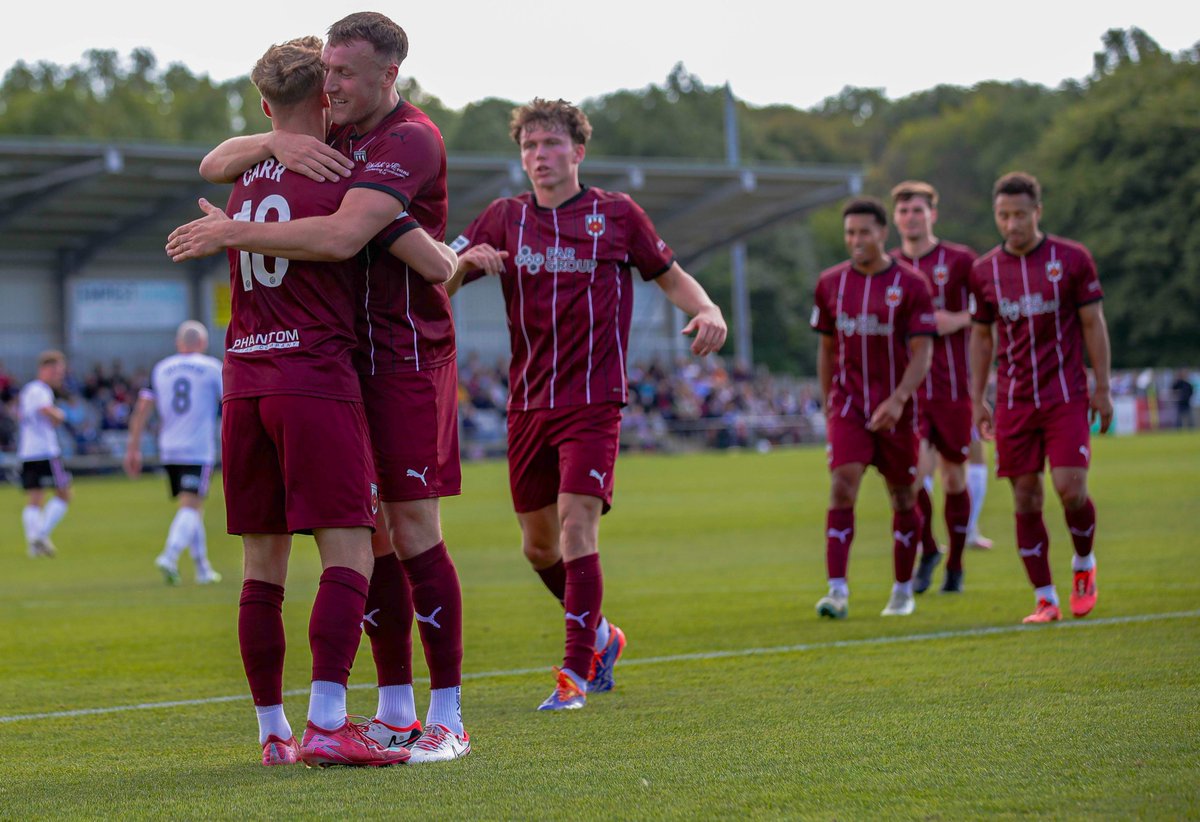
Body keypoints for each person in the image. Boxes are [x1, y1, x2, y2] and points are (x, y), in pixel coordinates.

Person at [169, 14, 469, 763]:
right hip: (329, 366)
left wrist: (233, 224)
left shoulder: (404, 138)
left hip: (395, 356)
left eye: (346, 73)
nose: (333, 85)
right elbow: (431, 260)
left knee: (407, 530)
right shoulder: (323, 147)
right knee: (366, 539)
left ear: (386, 76)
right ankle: (390, 704)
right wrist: (277, 142)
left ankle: (446, 715)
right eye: (327, 73)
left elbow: (356, 241)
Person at [445, 98, 728, 710]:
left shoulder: (616, 214)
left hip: (594, 401)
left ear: (577, 151)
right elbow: (435, 278)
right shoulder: (502, 217)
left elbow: (671, 275)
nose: (539, 156)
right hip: (526, 404)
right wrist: (465, 262)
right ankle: (603, 633)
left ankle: (575, 674)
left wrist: (707, 309)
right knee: (539, 547)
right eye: (529, 147)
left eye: (550, 144)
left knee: (578, 524)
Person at [969, 171, 1112, 624]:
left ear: (1038, 213)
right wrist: (977, 397)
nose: (1012, 224)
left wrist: (1102, 387)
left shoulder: (1071, 259)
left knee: (1071, 489)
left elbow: (1092, 324)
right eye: (1003, 215)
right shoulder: (984, 270)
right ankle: (1045, 598)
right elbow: (981, 338)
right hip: (1014, 400)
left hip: (1066, 395)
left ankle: (1084, 566)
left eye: (1020, 215)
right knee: (1026, 498)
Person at [810, 197, 935, 619]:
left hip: (898, 410)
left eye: (864, 232)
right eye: (850, 233)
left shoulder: (913, 285)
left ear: (883, 233)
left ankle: (902, 590)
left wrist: (900, 399)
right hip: (849, 406)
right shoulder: (830, 284)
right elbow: (827, 348)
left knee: (903, 498)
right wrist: (830, 401)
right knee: (842, 484)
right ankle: (837, 591)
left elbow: (922, 352)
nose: (856, 240)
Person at [889, 181, 977, 594]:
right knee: (909, 480)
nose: (911, 217)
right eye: (904, 211)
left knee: (954, 481)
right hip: (907, 393)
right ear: (895, 218)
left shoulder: (959, 260)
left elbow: (988, 310)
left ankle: (955, 565)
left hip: (953, 388)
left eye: (918, 210)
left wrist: (956, 320)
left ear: (932, 214)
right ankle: (929, 550)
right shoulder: (888, 266)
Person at [124, 320, 224, 585]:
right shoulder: (213, 368)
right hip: (197, 447)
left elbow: (142, 410)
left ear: (179, 343)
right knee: (191, 506)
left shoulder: (161, 368)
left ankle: (203, 569)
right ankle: (169, 556)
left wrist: (133, 448)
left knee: (191, 507)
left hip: (169, 447)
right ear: (202, 343)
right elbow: (230, 405)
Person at [18, 350, 71, 558]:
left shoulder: (28, 390)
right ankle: (40, 534)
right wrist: (60, 415)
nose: (60, 376)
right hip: (46, 451)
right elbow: (46, 410)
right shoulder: (41, 390)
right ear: (46, 369)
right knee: (64, 494)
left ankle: (34, 545)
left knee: (34, 498)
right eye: (58, 371)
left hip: (28, 451)